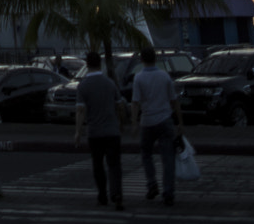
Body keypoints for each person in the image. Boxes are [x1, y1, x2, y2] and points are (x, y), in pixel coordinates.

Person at [131, 45, 182, 206]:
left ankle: (152, 183)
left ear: (141, 60)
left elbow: (135, 103)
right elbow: (174, 101)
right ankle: (168, 192)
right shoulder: (164, 76)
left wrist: (134, 122)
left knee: (146, 154)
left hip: (147, 121)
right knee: (168, 158)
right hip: (165, 119)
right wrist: (179, 122)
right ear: (155, 59)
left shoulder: (138, 78)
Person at [74, 50, 124, 210]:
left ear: (87, 65)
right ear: (100, 64)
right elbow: (120, 104)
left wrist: (77, 131)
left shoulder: (83, 86)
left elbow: (80, 111)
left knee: (98, 165)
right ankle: (116, 194)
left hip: (94, 132)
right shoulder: (110, 83)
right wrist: (121, 123)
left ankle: (102, 195)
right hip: (112, 131)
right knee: (114, 165)